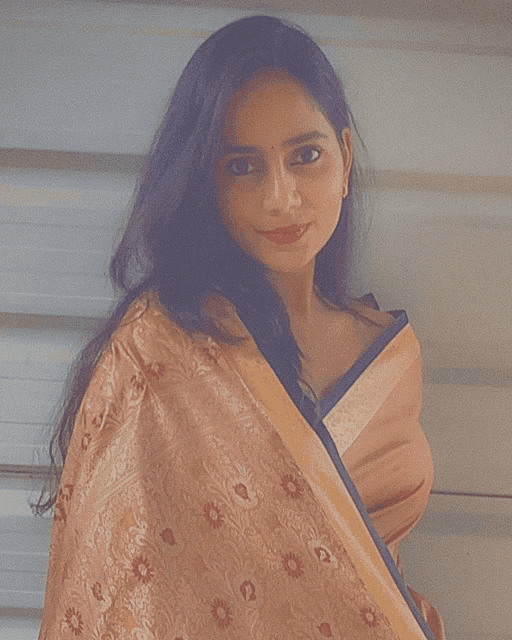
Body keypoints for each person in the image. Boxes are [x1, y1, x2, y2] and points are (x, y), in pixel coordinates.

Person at [36, 15, 445, 639]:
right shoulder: (163, 350)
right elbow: (118, 592)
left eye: (305, 156)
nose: (281, 197)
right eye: (242, 166)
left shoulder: (389, 356)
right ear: (206, 182)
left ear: (345, 157)